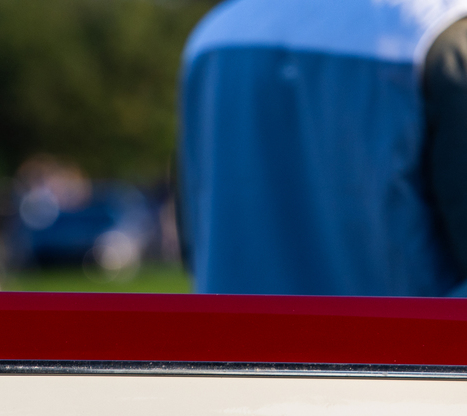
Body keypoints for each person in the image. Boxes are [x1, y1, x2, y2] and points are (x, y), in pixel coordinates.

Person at [179, 0, 467, 295]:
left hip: (236, 336)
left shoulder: (213, 36)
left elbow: (195, 235)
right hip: (400, 338)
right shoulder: (437, 34)